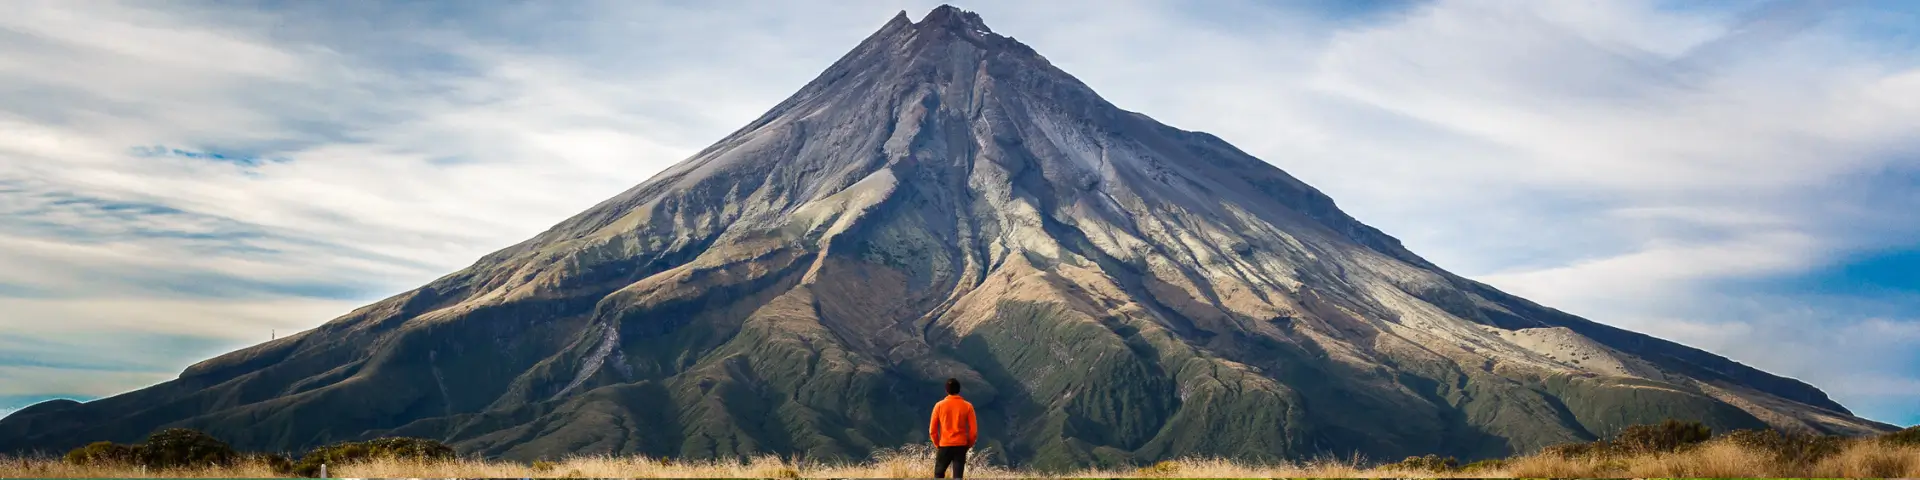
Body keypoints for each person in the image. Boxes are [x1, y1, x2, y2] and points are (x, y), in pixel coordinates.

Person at [929, 378, 978, 478]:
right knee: (958, 476)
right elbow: (973, 431)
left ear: (946, 390)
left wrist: (937, 444)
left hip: (944, 444)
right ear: (959, 390)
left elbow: (932, 430)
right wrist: (969, 444)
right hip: (961, 445)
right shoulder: (968, 406)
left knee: (938, 474)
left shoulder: (939, 406)